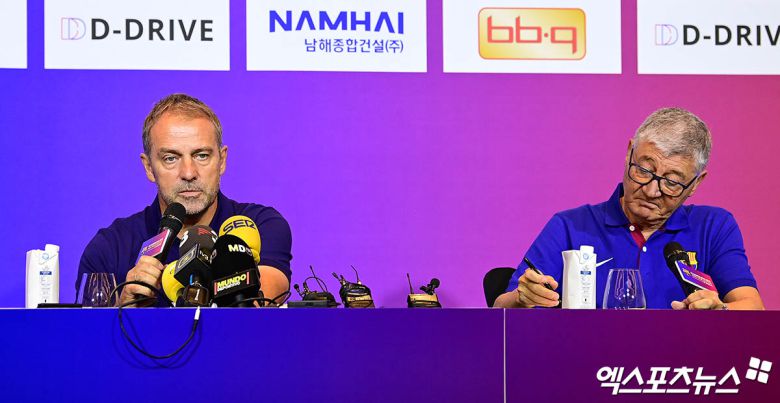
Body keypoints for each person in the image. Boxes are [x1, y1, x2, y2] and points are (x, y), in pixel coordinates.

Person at [494, 108, 763, 310]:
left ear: (695, 184)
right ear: (629, 152)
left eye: (672, 182)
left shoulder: (713, 227)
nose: (651, 191)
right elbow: (500, 308)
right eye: (644, 170)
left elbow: (751, 306)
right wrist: (522, 298)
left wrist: (721, 310)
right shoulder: (570, 226)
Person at [78, 94, 292, 307]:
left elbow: (260, 308)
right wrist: (124, 309)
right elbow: (86, 329)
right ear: (149, 167)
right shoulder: (110, 247)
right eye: (171, 158)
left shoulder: (259, 226)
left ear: (222, 161)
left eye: (201, 155)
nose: (189, 173)